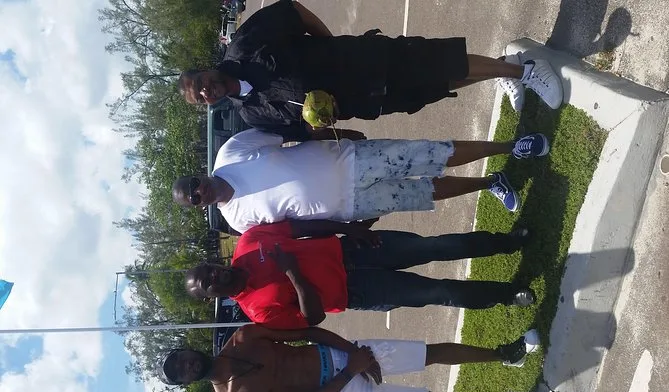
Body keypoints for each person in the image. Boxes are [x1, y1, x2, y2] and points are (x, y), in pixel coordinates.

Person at [178, 0, 563, 142]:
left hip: (363, 60)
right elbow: (301, 131)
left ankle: (526, 70)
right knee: (439, 84)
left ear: (204, 71)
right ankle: (505, 68)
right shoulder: (251, 114)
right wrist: (329, 124)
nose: (206, 90)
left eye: (200, 83)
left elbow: (293, 11)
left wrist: (331, 45)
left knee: (439, 61)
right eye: (201, 97)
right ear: (207, 104)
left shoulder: (243, 46)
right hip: (363, 101)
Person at [172, 128, 550, 233]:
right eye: (194, 198)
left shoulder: (231, 153)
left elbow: (291, 132)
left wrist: (341, 133)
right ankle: (490, 183)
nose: (199, 191)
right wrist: (348, 229)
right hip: (349, 206)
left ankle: (512, 147)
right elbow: (295, 230)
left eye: (194, 184)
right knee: (426, 191)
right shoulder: (238, 222)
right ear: (199, 207)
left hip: (351, 160)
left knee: (432, 153)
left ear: (198, 174)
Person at [157, 325, 552, 392]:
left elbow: (306, 332)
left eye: (181, 359)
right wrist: (350, 373)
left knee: (428, 354)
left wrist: (351, 352)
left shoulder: (244, 338)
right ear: (185, 384)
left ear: (187, 349)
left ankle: (507, 354)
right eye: (180, 373)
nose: (187, 366)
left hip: (340, 354)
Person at [184, 220, 535, 328]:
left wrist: (348, 228)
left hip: (352, 248)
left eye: (208, 270)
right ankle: (509, 294)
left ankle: (508, 242)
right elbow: (313, 318)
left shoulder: (248, 242)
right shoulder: (257, 311)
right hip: (361, 290)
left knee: (435, 245)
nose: (214, 277)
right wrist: (292, 274)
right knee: (439, 292)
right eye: (207, 285)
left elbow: (301, 227)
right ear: (210, 298)